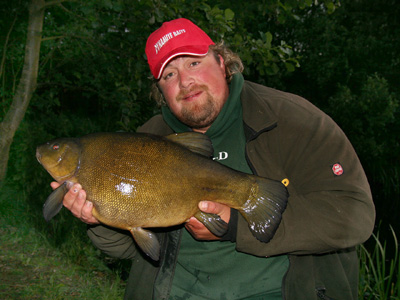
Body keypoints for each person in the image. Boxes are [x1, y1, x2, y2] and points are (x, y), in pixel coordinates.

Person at [51, 18, 375, 299]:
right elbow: (133, 250)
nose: (185, 82)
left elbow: (354, 215)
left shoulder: (293, 120)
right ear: (159, 90)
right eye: (169, 75)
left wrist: (236, 225)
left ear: (221, 62)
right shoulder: (148, 139)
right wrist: (96, 220)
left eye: (194, 63)